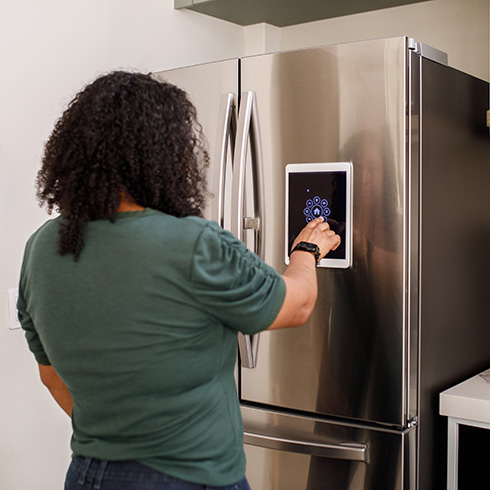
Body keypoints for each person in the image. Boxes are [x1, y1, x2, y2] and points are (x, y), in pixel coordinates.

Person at [17, 71, 340, 490]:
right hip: (189, 476)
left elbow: (50, 375)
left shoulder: (42, 247)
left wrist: (118, 437)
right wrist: (307, 251)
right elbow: (296, 305)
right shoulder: (191, 242)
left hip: (88, 474)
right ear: (164, 153)